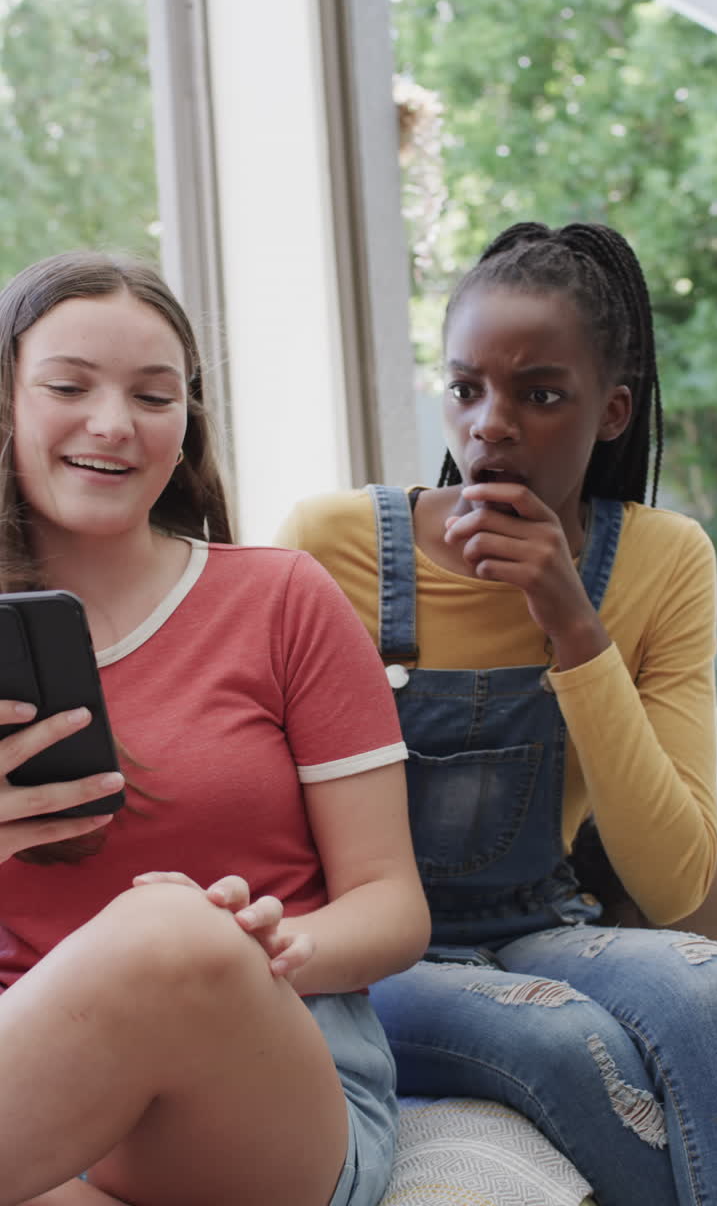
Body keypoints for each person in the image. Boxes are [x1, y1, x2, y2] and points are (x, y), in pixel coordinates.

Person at [276, 221, 717, 1206]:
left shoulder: (666, 560)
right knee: (565, 1037)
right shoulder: (332, 541)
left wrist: (573, 622)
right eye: (466, 387)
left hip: (541, 927)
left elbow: (678, 880)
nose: (490, 425)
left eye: (539, 394)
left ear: (611, 411)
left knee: (704, 986)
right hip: (376, 956)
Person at [0, 251, 431, 1206]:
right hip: (34, 1113)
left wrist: (263, 947)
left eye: (154, 397)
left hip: (270, 1086)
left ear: (185, 422)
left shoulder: (282, 599)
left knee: (170, 934)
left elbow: (394, 904)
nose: (112, 424)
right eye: (69, 386)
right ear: (6, 403)